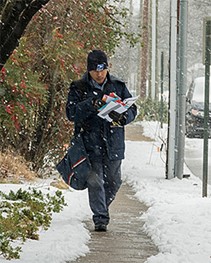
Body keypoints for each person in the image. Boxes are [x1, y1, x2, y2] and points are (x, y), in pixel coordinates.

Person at [66, 50, 137, 232]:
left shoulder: (118, 86)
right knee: (95, 180)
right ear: (89, 70)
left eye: (102, 69)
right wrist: (91, 104)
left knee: (114, 181)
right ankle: (100, 218)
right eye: (95, 70)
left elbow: (132, 109)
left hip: (113, 142)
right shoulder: (79, 88)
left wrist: (123, 117)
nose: (99, 74)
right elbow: (71, 113)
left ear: (107, 68)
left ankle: (101, 207)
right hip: (89, 142)